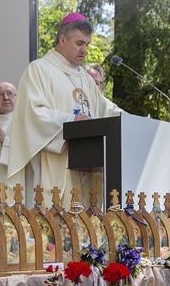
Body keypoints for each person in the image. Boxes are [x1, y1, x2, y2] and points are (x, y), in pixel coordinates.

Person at [6, 12, 120, 209]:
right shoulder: (39, 70)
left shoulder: (85, 78)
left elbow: (106, 109)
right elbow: (32, 114)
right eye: (79, 43)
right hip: (58, 164)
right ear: (62, 40)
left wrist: (132, 121)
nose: (84, 50)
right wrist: (71, 121)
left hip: (89, 165)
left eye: (87, 45)